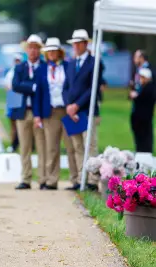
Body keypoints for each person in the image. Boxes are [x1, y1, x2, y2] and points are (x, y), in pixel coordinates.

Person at [63, 29, 104, 191]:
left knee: (90, 145)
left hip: (87, 110)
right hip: (73, 112)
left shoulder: (95, 62)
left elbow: (92, 88)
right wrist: (68, 105)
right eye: (75, 43)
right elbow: (66, 87)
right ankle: (81, 179)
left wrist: (76, 105)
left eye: (79, 43)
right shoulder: (71, 63)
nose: (76, 46)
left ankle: (92, 181)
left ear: (86, 44)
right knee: (77, 146)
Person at [35, 37, 77, 190]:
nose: (52, 53)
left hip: (67, 110)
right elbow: (38, 93)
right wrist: (37, 114)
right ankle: (51, 180)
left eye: (54, 50)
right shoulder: (42, 69)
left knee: (71, 146)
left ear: (60, 52)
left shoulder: (68, 66)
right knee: (51, 147)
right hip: (49, 112)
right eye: (49, 51)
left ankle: (76, 179)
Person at [11, 34, 47, 190]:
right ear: (26, 50)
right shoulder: (20, 67)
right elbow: (15, 85)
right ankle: (26, 178)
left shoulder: (45, 67)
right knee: (24, 146)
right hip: (23, 112)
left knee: (41, 145)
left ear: (39, 50)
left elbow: (44, 88)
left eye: (35, 48)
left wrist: (27, 85)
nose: (32, 51)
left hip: (39, 112)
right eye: (30, 48)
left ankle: (43, 178)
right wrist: (32, 86)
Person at [129, 68, 155, 153]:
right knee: (139, 140)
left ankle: (145, 155)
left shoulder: (150, 88)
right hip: (139, 119)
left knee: (144, 139)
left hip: (144, 119)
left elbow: (143, 100)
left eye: (142, 77)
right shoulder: (142, 87)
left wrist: (136, 96)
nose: (141, 79)